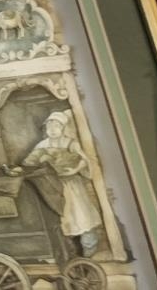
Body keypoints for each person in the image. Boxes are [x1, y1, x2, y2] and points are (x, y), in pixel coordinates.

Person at [17, 110, 102, 258]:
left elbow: (84, 160)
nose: (53, 130)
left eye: (56, 126)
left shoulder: (70, 143)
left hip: (71, 184)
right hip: (52, 185)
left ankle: (89, 248)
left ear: (63, 128)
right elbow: (30, 162)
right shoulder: (42, 145)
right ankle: (69, 251)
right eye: (50, 127)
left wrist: (74, 170)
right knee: (64, 218)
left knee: (81, 214)